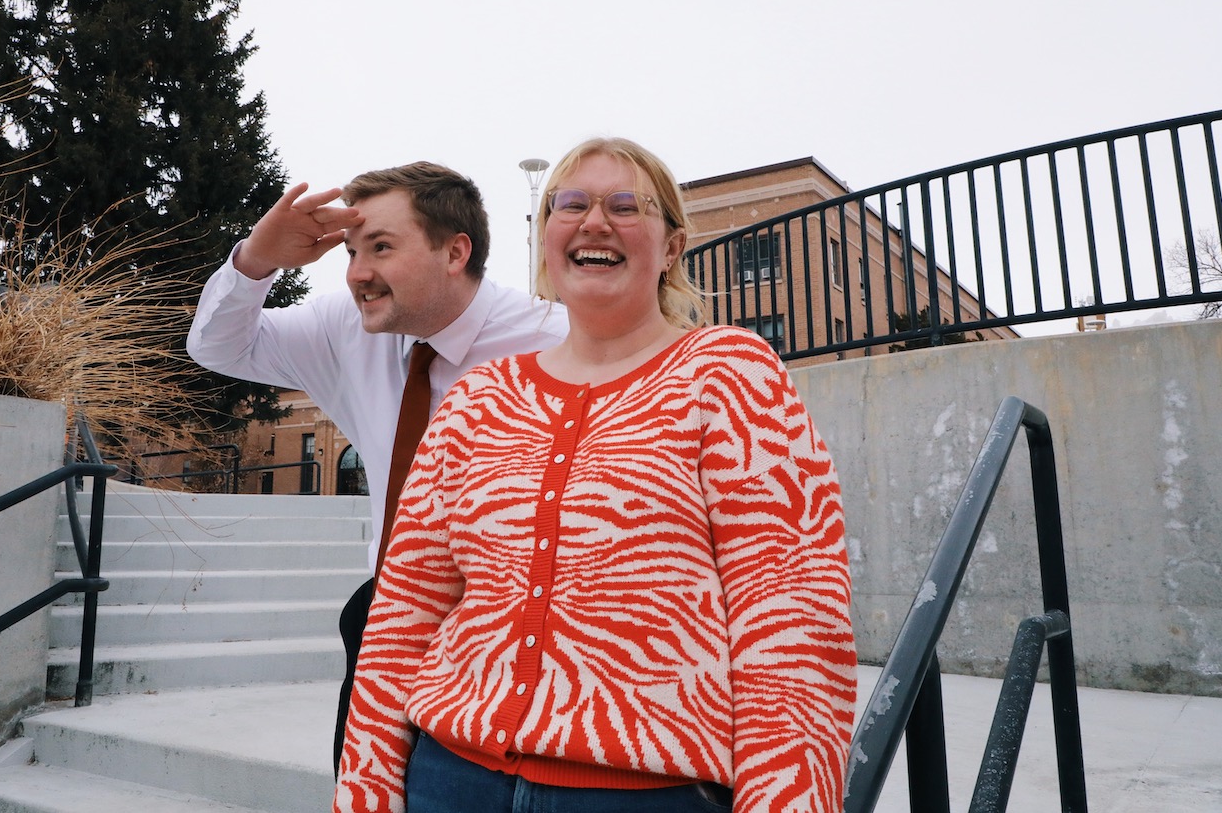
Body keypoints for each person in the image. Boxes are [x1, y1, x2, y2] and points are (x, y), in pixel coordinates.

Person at [335, 139, 856, 813]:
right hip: (446, 777)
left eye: (625, 205)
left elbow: (792, 617)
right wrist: (365, 789)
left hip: (645, 794)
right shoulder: (478, 398)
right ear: (547, 239)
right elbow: (404, 611)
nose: (594, 222)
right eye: (571, 204)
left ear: (671, 247)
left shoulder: (727, 373)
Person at [185, 162, 569, 774]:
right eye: (352, 251)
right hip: (383, 618)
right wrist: (256, 260)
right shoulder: (345, 326)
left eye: (382, 248)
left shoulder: (553, 339)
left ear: (455, 251)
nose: (358, 272)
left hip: (511, 625)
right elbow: (218, 345)